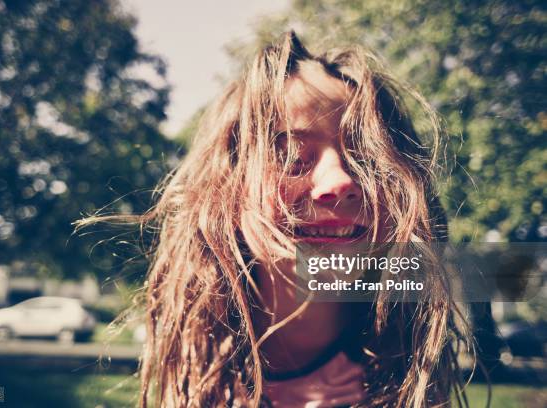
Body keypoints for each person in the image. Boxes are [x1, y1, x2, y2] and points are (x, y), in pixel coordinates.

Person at [80, 31, 473, 407]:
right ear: (225, 193)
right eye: (289, 155)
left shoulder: (404, 381)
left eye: (367, 160)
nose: (340, 183)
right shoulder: (199, 368)